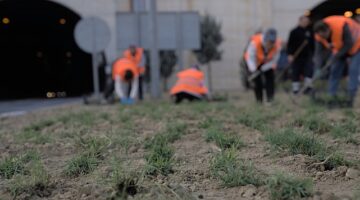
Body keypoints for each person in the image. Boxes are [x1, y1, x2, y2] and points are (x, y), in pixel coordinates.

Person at [313, 16, 360, 107]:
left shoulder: (342, 26)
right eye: (321, 36)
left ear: (328, 29)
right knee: (334, 70)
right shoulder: (318, 35)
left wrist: (335, 57)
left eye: (325, 35)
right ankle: (331, 96)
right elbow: (318, 54)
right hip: (340, 49)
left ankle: (351, 96)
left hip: (357, 45)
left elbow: (348, 44)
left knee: (353, 69)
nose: (324, 37)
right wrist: (318, 68)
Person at [244, 28, 282, 103]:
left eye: (272, 42)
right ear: (265, 39)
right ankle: (259, 101)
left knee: (270, 80)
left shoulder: (277, 45)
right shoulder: (255, 43)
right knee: (257, 81)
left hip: (267, 64)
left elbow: (274, 60)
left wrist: (264, 68)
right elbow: (250, 57)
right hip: (254, 63)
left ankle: (270, 100)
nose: (270, 44)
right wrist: (254, 69)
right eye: (269, 42)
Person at [287, 16, 314, 94]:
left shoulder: (310, 31)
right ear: (300, 21)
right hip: (296, 56)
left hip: (307, 56)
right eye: (304, 21)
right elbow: (290, 45)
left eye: (307, 22)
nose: (306, 23)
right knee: (296, 72)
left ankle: (307, 88)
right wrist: (290, 55)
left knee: (308, 71)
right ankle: (296, 89)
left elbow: (313, 44)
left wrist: (312, 53)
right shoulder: (294, 32)